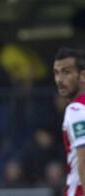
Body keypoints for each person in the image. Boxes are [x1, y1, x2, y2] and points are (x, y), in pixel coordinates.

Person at [53, 47, 85, 196]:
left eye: (66, 72)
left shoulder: (76, 109)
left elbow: (83, 157)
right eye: (56, 73)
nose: (59, 80)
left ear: (82, 75)